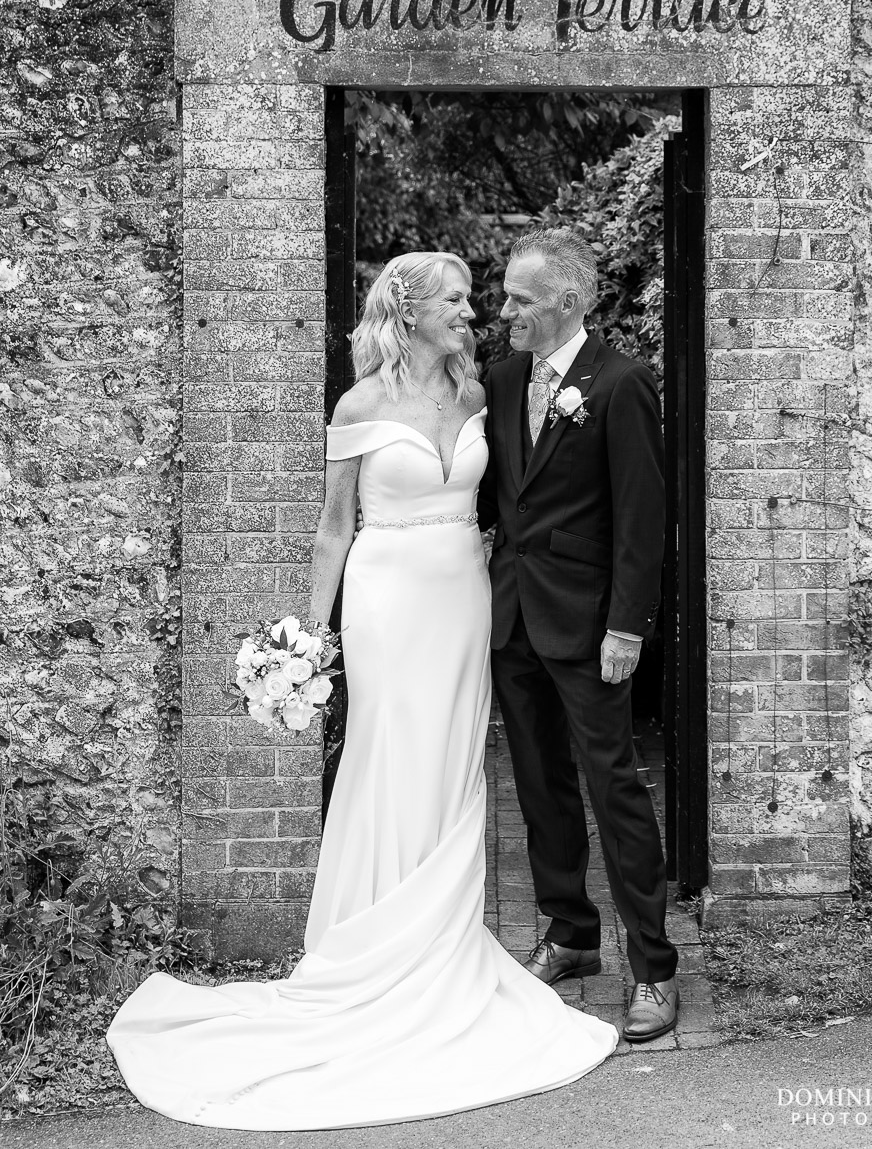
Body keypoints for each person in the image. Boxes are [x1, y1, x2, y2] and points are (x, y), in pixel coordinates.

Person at [107, 250, 616, 1130]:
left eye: (472, 299)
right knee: (389, 755)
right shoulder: (359, 404)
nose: (472, 312)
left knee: (456, 764)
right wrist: (311, 634)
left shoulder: (478, 393)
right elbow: (334, 527)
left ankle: (445, 948)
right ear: (408, 310)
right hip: (385, 598)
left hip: (462, 591)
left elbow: (514, 498)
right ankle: (376, 945)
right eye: (456, 299)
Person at [477, 227, 679, 1042]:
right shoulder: (499, 379)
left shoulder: (622, 383)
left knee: (615, 789)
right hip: (513, 616)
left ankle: (655, 970)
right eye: (505, 296)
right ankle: (570, 936)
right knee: (538, 786)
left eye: (521, 299)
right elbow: (500, 502)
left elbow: (642, 519)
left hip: (593, 626)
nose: (506, 310)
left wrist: (627, 627)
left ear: (570, 300)